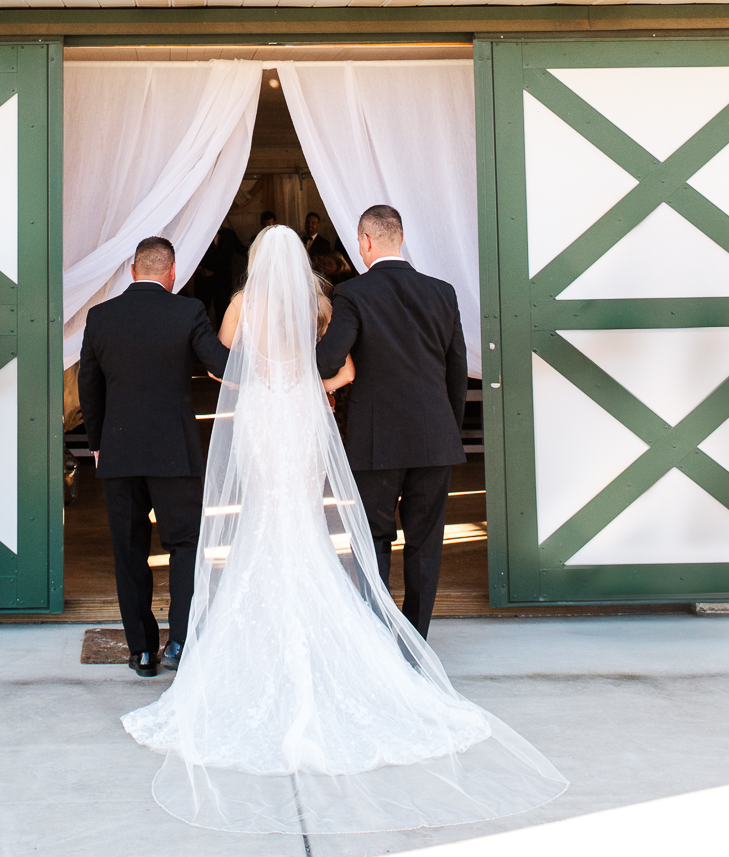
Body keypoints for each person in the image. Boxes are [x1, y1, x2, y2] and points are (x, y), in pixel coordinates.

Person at [122, 226, 565, 834]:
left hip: (260, 420)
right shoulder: (320, 304)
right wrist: (307, 386)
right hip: (300, 418)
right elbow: (346, 371)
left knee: (260, 520)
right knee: (302, 518)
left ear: (256, 261)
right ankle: (380, 634)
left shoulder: (241, 304)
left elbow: (226, 368)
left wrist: (264, 384)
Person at [78, 235, 229, 678]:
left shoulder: (101, 317)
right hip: (174, 453)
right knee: (184, 545)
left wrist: (98, 441)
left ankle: (141, 651)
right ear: (172, 272)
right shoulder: (188, 312)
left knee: (129, 552)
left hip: (119, 451)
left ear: (132, 271)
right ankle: (178, 643)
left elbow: (90, 384)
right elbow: (219, 363)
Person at [315, 203, 466, 638]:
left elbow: (326, 363)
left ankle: (379, 638)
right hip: (435, 438)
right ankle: (416, 639)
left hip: (377, 441)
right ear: (400, 238)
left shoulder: (353, 295)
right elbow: (456, 372)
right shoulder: (443, 292)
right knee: (424, 544)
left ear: (364, 242)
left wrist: (345, 365)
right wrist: (446, 430)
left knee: (375, 539)